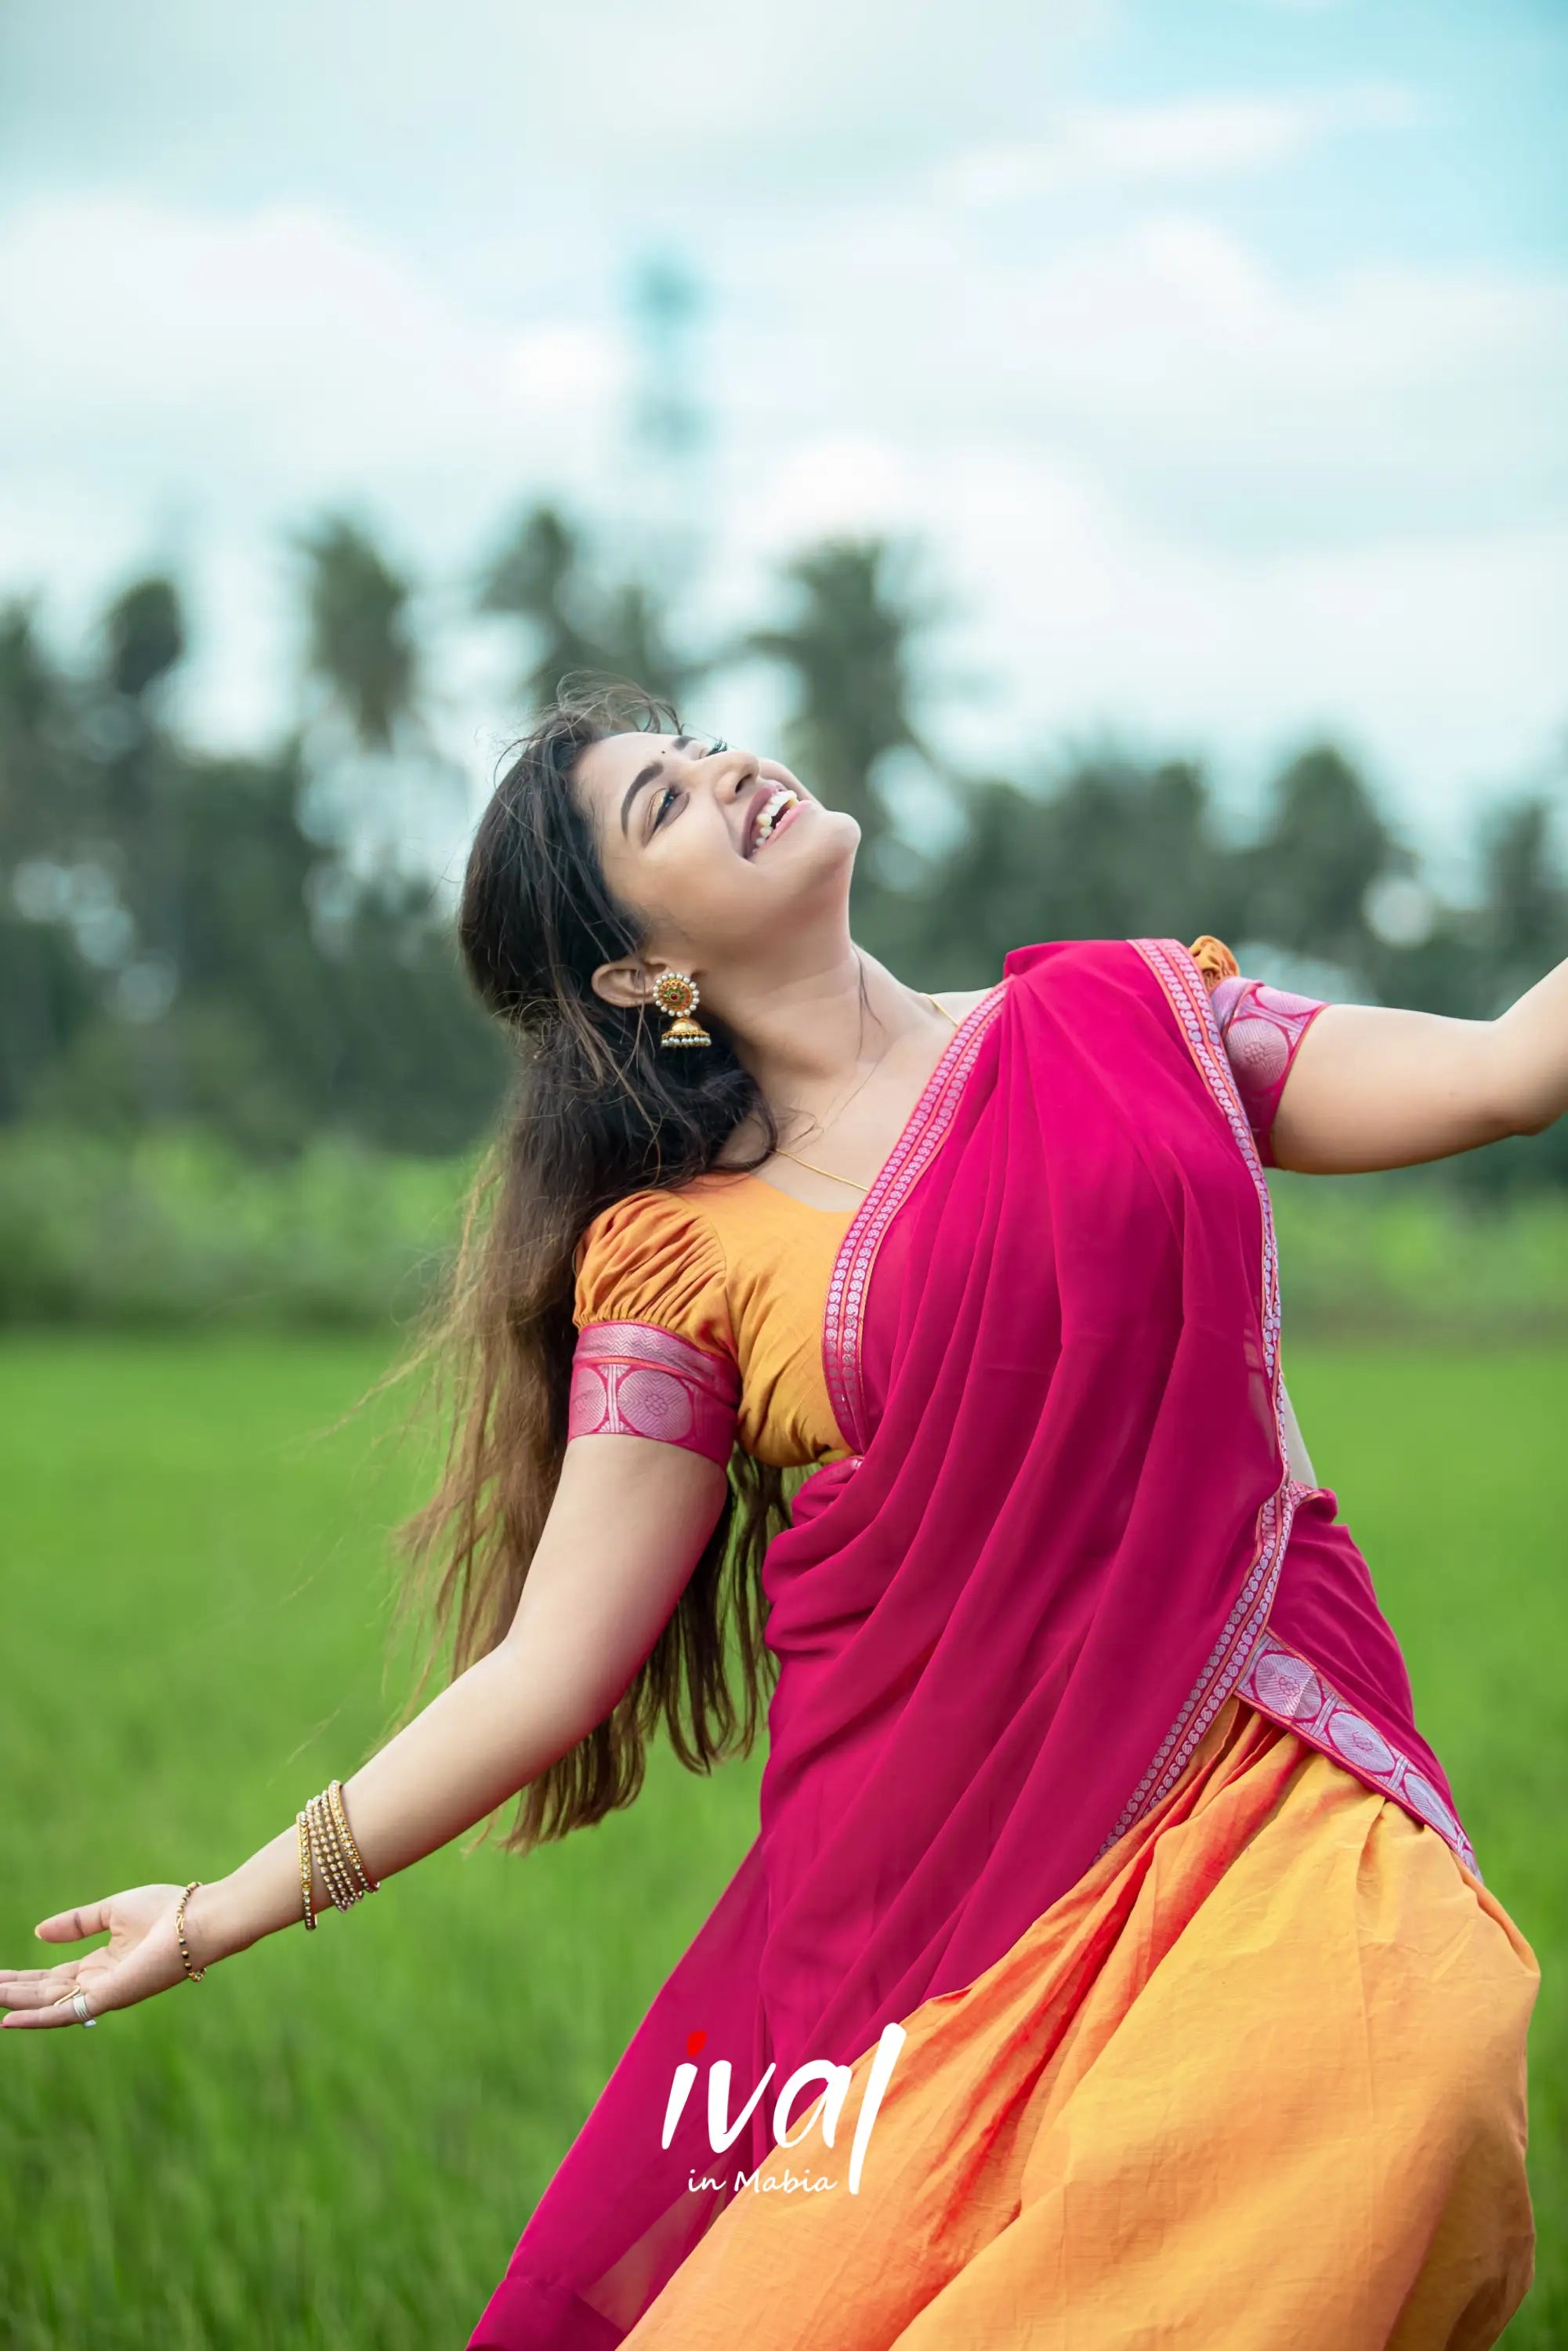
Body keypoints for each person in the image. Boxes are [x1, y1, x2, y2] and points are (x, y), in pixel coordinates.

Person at [3, 685, 1559, 2351]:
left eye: (706, 750)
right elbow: (549, 1666)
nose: (734, 770)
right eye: (662, 802)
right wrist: (235, 1901)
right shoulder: (682, 1257)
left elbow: (1500, 1074)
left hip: (1267, 1769)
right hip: (934, 1915)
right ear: (633, 973)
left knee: (1403, 2085)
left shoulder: (1137, 1019)